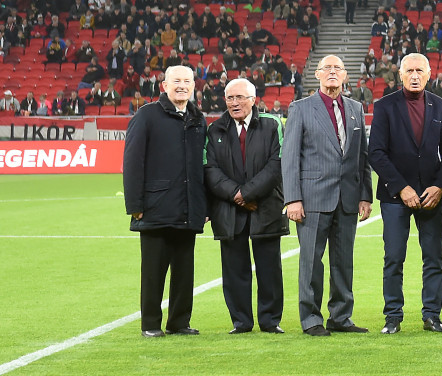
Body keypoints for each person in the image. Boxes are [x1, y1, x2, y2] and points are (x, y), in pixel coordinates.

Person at [282, 55, 373, 336]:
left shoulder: (356, 108)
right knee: (311, 261)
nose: (333, 72)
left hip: (347, 199)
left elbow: (362, 157)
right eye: (327, 68)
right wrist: (292, 199)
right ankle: (311, 318)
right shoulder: (300, 108)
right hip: (311, 199)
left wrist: (365, 195)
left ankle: (341, 317)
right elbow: (289, 157)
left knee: (343, 261)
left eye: (338, 68)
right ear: (317, 75)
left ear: (345, 75)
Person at [367, 53, 442, 335]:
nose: (415, 75)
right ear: (400, 74)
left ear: (429, 74)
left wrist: (440, 187)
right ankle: (393, 316)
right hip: (395, 197)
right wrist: (401, 187)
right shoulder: (384, 106)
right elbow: (376, 153)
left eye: (420, 70)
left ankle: (432, 315)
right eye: (410, 71)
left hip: (431, 196)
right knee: (394, 257)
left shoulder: (441, 106)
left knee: (434, 258)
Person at [123, 65, 208, 338]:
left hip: (187, 207)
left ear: (194, 86)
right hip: (155, 208)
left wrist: (203, 205)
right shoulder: (146, 115)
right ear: (164, 86)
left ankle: (179, 322)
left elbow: (201, 167)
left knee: (184, 271)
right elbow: (133, 162)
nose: (182, 86)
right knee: (153, 272)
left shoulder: (198, 118)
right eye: (176, 81)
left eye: (187, 81)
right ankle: (150, 324)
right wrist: (134, 205)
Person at [204, 78, 289, 334]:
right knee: (234, 270)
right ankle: (241, 322)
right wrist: (236, 194)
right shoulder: (215, 129)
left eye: (239, 97)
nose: (234, 103)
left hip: (266, 208)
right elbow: (209, 169)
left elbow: (277, 164)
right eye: (230, 98)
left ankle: (270, 321)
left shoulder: (273, 124)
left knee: (269, 268)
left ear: (253, 100)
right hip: (229, 210)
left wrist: (249, 192)